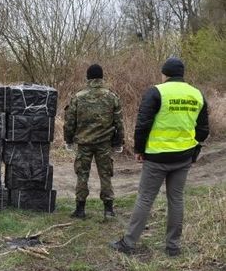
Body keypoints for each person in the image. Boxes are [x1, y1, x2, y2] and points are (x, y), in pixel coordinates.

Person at [110, 56, 209, 256]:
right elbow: (203, 129)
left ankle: (128, 244)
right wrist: (192, 146)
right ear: (182, 74)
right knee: (177, 199)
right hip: (183, 157)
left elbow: (143, 124)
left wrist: (139, 149)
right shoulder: (197, 94)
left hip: (156, 157)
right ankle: (173, 247)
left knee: (145, 198)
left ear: (164, 74)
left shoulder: (156, 92)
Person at [63, 64, 125, 219]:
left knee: (82, 175)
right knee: (105, 175)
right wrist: (118, 142)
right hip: (104, 143)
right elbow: (119, 123)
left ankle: (80, 210)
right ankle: (108, 210)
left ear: (88, 78)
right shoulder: (111, 97)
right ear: (101, 78)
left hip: (84, 144)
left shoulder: (78, 97)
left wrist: (68, 140)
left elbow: (70, 122)